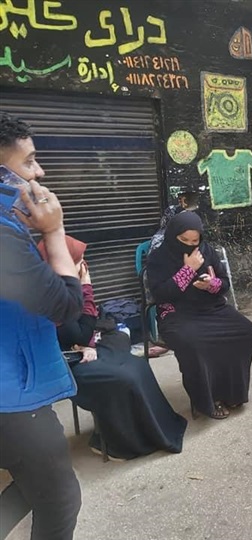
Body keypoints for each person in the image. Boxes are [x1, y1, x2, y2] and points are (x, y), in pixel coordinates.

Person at [0, 113, 83, 539]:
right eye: (29, 161)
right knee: (61, 499)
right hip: (12, 397)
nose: (40, 172)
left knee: (35, 487)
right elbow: (67, 305)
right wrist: (55, 231)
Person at [40, 235, 188, 461]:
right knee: (124, 378)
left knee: (136, 365)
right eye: (77, 260)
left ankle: (151, 431)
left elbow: (82, 330)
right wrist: (86, 287)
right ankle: (118, 442)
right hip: (61, 363)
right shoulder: (48, 295)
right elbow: (78, 332)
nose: (83, 265)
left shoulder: (64, 286)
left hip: (79, 348)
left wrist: (86, 343)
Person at [146, 212, 252, 419]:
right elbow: (160, 294)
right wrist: (188, 270)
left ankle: (232, 392)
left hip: (211, 308)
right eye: (184, 240)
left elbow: (224, 283)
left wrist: (211, 285)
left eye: (194, 241)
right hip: (177, 315)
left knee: (248, 333)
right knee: (194, 345)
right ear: (172, 236)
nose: (190, 245)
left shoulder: (207, 250)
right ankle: (206, 400)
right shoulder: (158, 258)